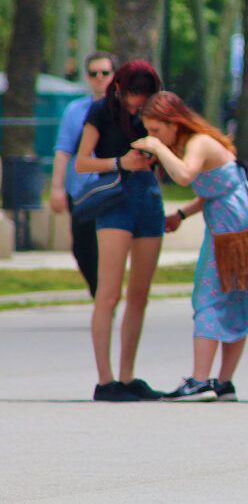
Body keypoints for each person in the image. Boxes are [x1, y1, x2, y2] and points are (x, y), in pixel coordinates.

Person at [133, 91, 248, 401]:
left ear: (175, 124)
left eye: (156, 130)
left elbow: (184, 176)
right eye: (149, 131)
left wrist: (155, 148)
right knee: (234, 297)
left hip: (231, 224)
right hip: (231, 219)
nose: (152, 137)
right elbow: (214, 189)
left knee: (208, 298)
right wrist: (181, 214)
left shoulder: (198, 143)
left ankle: (199, 380)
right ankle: (223, 383)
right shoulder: (192, 143)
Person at [74, 61, 165, 402]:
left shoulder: (156, 111)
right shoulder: (102, 110)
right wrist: (119, 162)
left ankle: (128, 377)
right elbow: (82, 161)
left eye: (143, 96)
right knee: (108, 294)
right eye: (131, 95)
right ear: (120, 88)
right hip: (114, 198)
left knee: (139, 293)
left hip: (149, 197)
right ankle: (105, 380)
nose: (136, 103)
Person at [48, 52, 118, 298]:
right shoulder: (75, 111)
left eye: (105, 73)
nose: (100, 78)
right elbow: (63, 150)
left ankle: (106, 296)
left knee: (107, 247)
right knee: (82, 247)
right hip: (81, 190)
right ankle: (100, 294)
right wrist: (57, 188)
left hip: (113, 189)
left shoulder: (122, 109)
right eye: (93, 73)